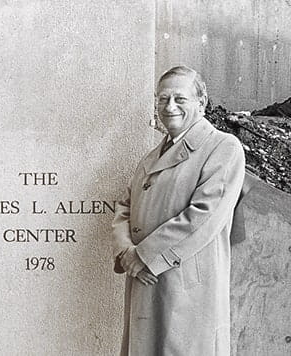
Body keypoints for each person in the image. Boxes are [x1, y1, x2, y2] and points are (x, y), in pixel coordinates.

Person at [112, 65, 245, 355]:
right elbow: (124, 207)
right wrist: (126, 252)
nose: (169, 107)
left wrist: (144, 256)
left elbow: (203, 216)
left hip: (185, 289)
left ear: (202, 102)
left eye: (179, 99)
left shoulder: (223, 147)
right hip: (145, 277)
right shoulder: (151, 157)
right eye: (162, 99)